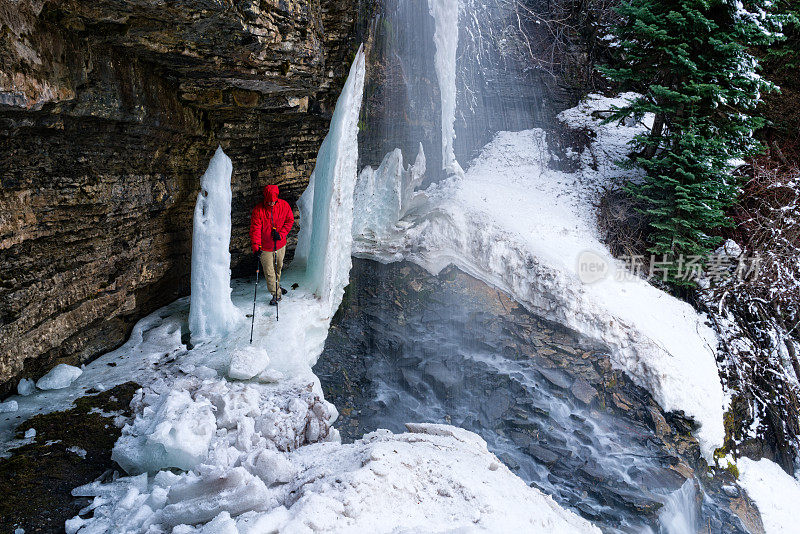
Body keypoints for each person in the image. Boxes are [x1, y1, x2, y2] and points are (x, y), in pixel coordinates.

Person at [249, 184, 294, 306]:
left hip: (280, 244)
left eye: (273, 202)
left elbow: (290, 220)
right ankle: (276, 294)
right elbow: (255, 230)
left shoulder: (284, 205)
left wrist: (281, 234)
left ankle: (277, 286)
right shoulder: (258, 210)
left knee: (278, 268)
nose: (271, 204)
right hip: (265, 247)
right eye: (269, 202)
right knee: (269, 272)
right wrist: (256, 247)